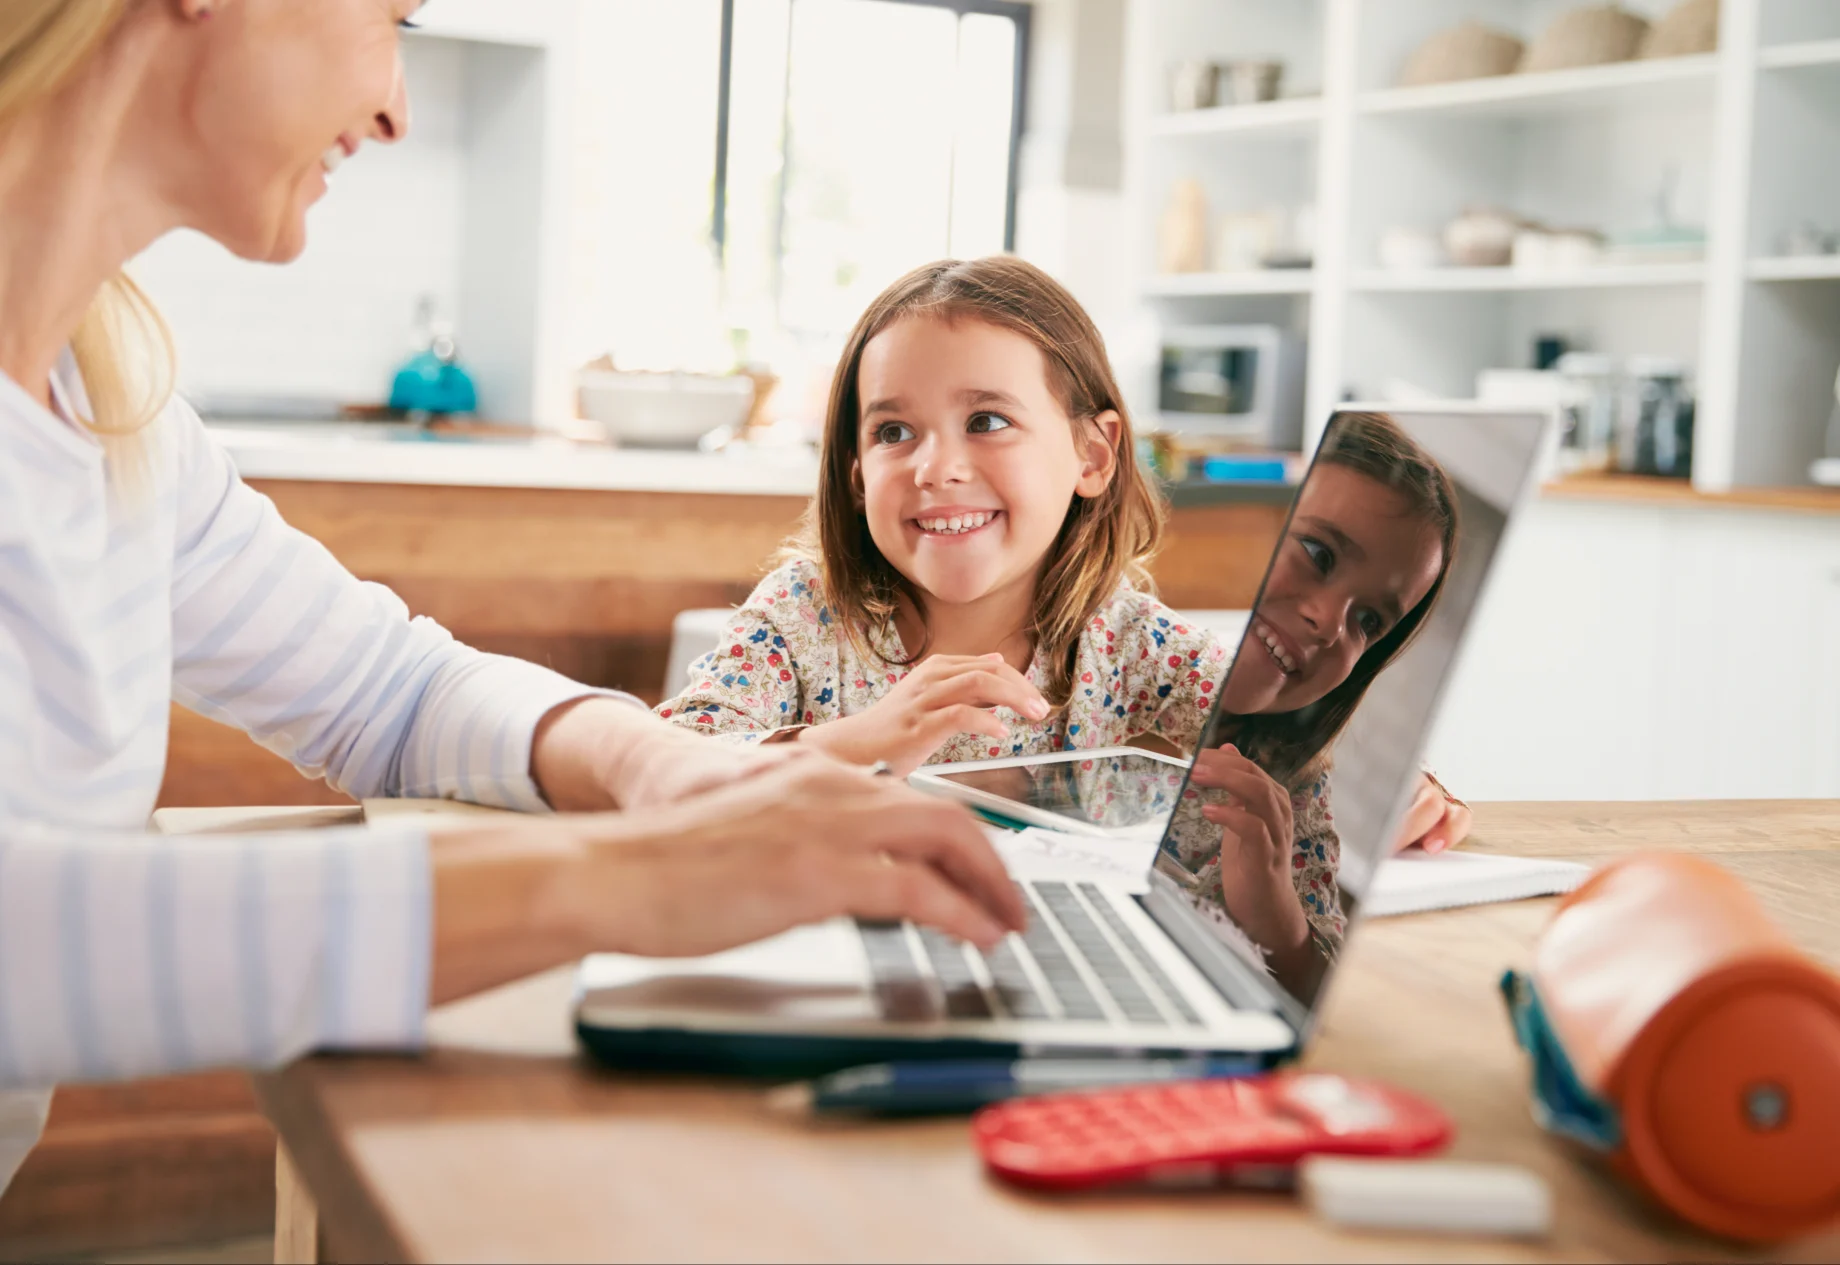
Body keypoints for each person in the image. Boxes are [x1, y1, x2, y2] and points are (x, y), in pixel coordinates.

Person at [0, 0, 1025, 1191]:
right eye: (393, 14)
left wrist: (667, 769)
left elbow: (389, 687)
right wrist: (632, 877)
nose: (395, 105)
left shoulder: (113, 411)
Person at [655, 261, 1469, 948]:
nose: (936, 466)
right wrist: (858, 741)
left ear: (1092, 454)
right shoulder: (805, 614)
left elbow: (1286, 760)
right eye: (894, 432)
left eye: (986, 420)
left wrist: (1382, 790)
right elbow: (659, 769)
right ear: (858, 470)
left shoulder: (1135, 646)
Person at [1162, 411, 1461, 1000]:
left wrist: (1280, 925)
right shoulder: (1128, 657)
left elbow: (1313, 979)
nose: (1329, 622)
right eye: (1319, 555)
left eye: (1369, 621)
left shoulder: (1291, 785)